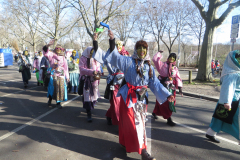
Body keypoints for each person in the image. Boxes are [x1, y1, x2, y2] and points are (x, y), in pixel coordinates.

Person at [101, 30, 174, 160]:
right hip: (128, 99)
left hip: (141, 101)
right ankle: (143, 152)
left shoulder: (149, 68)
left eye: (144, 48)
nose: (142, 50)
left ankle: (126, 142)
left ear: (147, 51)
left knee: (139, 124)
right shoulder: (127, 62)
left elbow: (155, 84)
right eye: (139, 48)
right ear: (135, 49)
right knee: (131, 123)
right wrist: (112, 40)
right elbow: (114, 57)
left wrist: (168, 94)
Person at [206, 50, 240, 144]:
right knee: (237, 121)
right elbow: (228, 87)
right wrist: (227, 102)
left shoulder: (234, 71)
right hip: (232, 101)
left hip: (229, 100)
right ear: (232, 60)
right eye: (238, 59)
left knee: (219, 117)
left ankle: (211, 133)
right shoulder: (232, 74)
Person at [92, 34, 128, 126]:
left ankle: (109, 115)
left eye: (121, 45)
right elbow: (98, 52)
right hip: (114, 84)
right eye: (117, 45)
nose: (119, 47)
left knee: (122, 104)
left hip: (125, 84)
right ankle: (119, 123)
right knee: (116, 104)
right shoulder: (108, 55)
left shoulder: (127, 57)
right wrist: (95, 41)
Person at [151, 51, 183, 126]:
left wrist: (180, 88)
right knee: (164, 102)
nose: (172, 58)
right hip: (162, 86)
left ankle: (155, 112)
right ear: (168, 57)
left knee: (170, 102)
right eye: (171, 57)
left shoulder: (175, 68)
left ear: (175, 59)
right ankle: (169, 118)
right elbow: (155, 60)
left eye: (173, 57)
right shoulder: (162, 65)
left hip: (171, 87)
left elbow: (178, 77)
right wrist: (159, 53)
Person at [43, 40, 69, 109]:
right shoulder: (51, 55)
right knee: (52, 88)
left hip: (61, 76)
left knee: (60, 89)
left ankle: (58, 102)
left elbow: (66, 68)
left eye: (60, 49)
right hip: (52, 75)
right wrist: (48, 45)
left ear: (62, 50)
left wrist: (67, 77)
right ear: (55, 49)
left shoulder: (63, 58)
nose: (59, 50)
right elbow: (45, 53)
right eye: (57, 48)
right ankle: (50, 99)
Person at [79, 43, 101, 122]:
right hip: (86, 81)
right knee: (88, 97)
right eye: (91, 52)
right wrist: (92, 72)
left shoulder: (95, 58)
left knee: (93, 97)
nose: (92, 54)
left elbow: (98, 67)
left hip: (94, 81)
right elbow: (81, 69)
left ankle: (89, 107)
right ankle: (89, 113)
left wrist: (99, 72)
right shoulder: (83, 58)